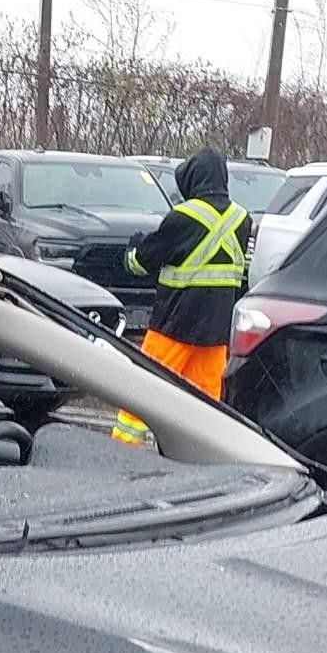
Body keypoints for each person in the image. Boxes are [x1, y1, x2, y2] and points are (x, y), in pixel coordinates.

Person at [112, 145, 249, 444]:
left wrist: (133, 248)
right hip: (215, 332)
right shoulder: (242, 220)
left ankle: (123, 450)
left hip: (174, 325)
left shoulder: (184, 216)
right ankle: (194, 457)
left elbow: (142, 261)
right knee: (204, 404)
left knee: (143, 391)